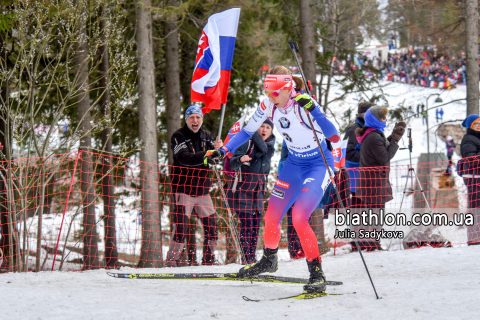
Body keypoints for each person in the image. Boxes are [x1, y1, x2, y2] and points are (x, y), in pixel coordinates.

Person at [205, 66, 340, 293]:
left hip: (318, 165)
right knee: (271, 216)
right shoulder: (268, 105)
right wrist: (223, 150)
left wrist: (315, 110)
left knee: (298, 217)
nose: (271, 97)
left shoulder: (303, 105)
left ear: (289, 88)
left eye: (275, 93)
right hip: (294, 165)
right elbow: (247, 131)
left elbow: (334, 135)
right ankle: (269, 259)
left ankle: (316, 273)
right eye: (268, 92)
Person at [168, 106, 223, 266]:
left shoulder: (207, 136)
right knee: (180, 227)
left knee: (212, 227)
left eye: (198, 117)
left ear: (202, 120)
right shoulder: (178, 136)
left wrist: (217, 151)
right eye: (192, 117)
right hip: (183, 189)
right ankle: (172, 261)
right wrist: (207, 155)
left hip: (202, 191)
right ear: (186, 119)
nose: (195, 120)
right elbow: (185, 158)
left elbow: (215, 160)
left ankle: (208, 260)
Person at [355, 106, 406, 250]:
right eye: (383, 118)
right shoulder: (373, 137)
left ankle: (372, 243)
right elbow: (385, 156)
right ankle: (372, 245)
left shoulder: (372, 134)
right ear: (375, 120)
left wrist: (393, 136)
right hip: (374, 183)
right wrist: (395, 141)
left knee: (374, 213)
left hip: (372, 182)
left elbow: (382, 148)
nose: (385, 120)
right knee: (376, 214)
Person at [226, 120, 276, 264]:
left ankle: (252, 258)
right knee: (247, 226)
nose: (264, 130)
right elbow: (232, 163)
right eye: (262, 126)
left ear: (271, 132)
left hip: (258, 194)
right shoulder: (247, 142)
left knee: (255, 227)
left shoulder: (269, 148)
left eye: (268, 128)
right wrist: (241, 158)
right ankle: (246, 258)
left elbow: (264, 174)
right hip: (242, 191)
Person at [278, 141, 305, 259]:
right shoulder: (287, 153)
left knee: (303, 218)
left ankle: (302, 247)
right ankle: (294, 249)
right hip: (291, 188)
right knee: (293, 219)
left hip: (303, 187)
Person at [344, 102, 375, 209]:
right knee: (358, 215)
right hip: (356, 183)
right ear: (365, 115)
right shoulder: (354, 130)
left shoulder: (367, 129)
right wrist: (367, 157)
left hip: (365, 180)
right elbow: (347, 153)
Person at [459, 115, 480, 246]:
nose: (479, 125)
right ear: (470, 126)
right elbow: (471, 160)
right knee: (475, 208)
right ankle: (474, 238)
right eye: (476, 123)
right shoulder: (468, 139)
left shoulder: (477, 138)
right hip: (474, 179)